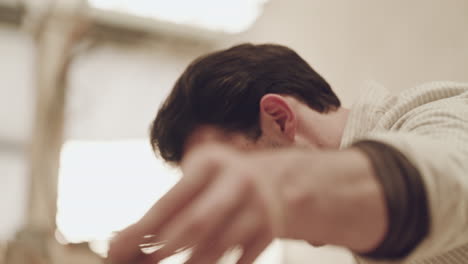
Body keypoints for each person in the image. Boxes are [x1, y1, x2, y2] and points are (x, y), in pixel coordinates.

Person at [107, 44, 468, 264]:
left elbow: (452, 178)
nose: (231, 199)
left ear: (279, 119)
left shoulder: (440, 113)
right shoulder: (364, 231)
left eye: (233, 171)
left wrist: (282, 186)